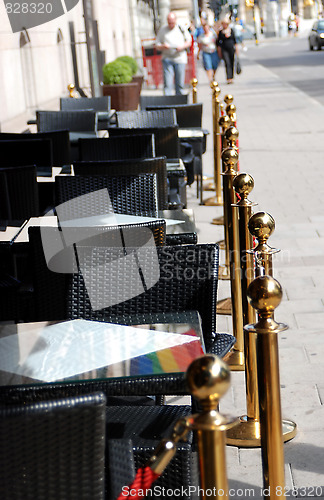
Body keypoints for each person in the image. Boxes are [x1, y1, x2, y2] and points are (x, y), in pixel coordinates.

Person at [155, 11, 192, 95]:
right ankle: (168, 101)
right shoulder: (163, 30)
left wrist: (182, 47)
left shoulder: (181, 28)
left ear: (175, 20)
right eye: (169, 21)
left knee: (180, 83)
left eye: (172, 22)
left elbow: (189, 41)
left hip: (180, 58)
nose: (171, 23)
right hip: (167, 58)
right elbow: (157, 44)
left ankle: (180, 100)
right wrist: (163, 46)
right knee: (167, 83)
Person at [216, 15, 238, 85]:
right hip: (224, 49)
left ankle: (231, 76)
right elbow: (218, 42)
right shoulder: (221, 32)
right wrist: (219, 51)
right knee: (227, 62)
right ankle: (228, 78)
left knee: (231, 62)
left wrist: (237, 50)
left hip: (231, 48)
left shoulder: (231, 30)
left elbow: (235, 40)